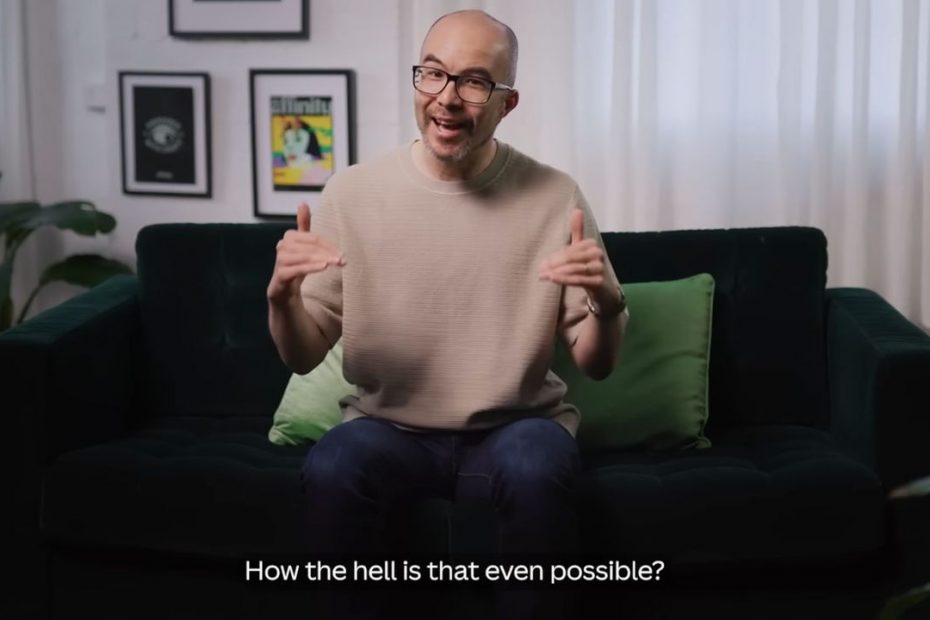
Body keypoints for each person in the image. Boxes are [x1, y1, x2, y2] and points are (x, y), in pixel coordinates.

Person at [266, 9, 627, 619]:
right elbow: (303, 355)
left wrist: (609, 303)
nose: (448, 98)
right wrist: (282, 299)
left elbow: (597, 363)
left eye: (475, 82)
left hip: (516, 428)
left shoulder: (554, 195)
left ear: (508, 103)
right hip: (387, 431)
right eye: (433, 74)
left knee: (537, 462)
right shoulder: (351, 193)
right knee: (334, 462)